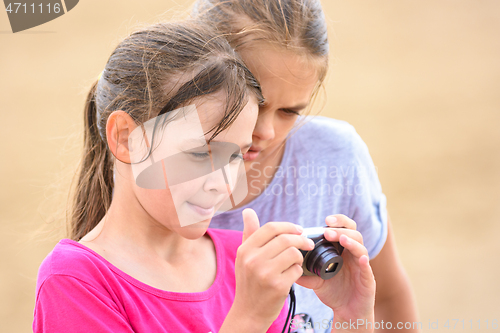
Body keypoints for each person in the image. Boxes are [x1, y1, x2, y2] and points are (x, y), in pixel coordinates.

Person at [33, 20, 376, 333]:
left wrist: (351, 316)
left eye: (236, 156)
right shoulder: (76, 281)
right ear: (126, 138)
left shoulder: (240, 259)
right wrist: (249, 318)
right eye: (201, 153)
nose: (223, 182)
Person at [191, 0, 420, 331]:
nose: (266, 132)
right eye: (254, 102)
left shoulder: (335, 156)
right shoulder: (158, 181)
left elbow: (386, 299)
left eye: (290, 112)